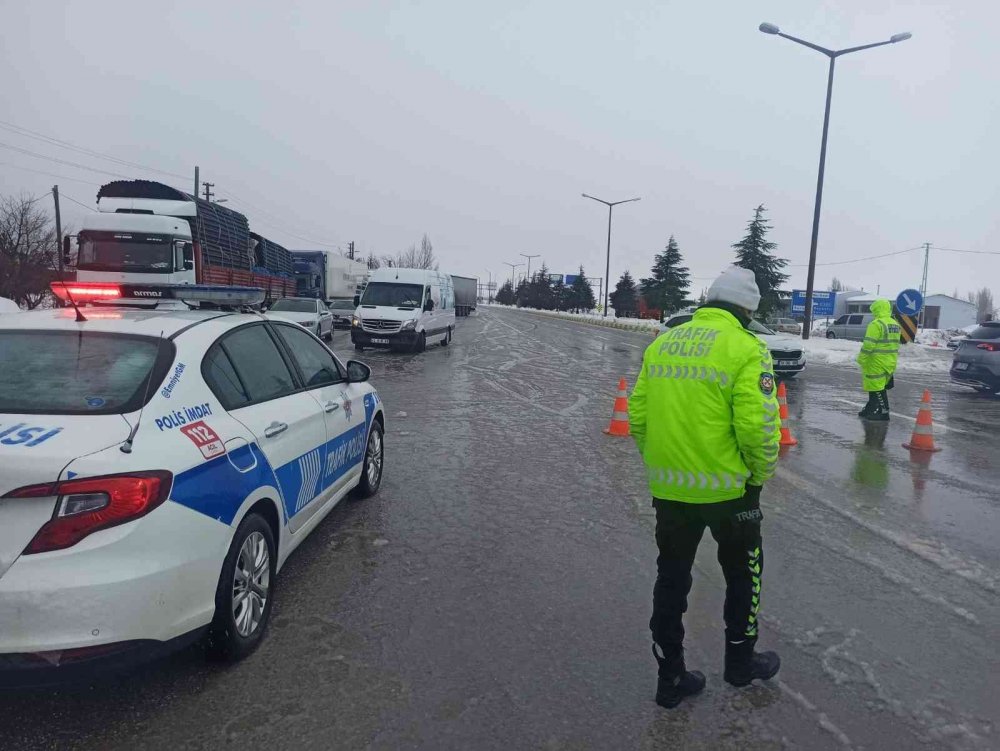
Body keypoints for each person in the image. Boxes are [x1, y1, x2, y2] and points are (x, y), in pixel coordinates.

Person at [629, 266, 782, 709]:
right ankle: (739, 663)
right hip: (731, 494)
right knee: (743, 574)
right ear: (746, 311)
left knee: (671, 580)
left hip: (671, 491)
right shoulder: (746, 348)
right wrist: (758, 475)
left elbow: (638, 418)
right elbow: (757, 428)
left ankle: (670, 676)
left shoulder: (662, 344)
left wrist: (663, 466)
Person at [856, 299, 901, 421]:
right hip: (890, 361)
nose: (873, 312)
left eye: (874, 310)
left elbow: (868, 345)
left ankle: (883, 412)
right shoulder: (894, 324)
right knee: (878, 387)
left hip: (876, 361)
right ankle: (870, 409)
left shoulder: (876, 324)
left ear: (877, 309)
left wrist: (861, 358)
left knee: (876, 387)